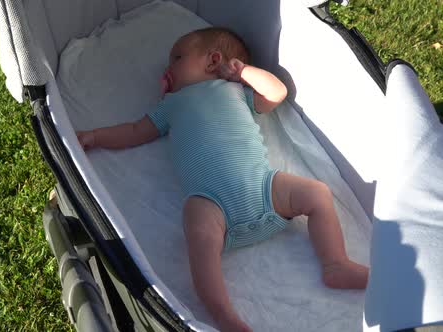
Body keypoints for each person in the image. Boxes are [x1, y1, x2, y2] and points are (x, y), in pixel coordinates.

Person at [76, 27, 369, 332]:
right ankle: (223, 314)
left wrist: (244, 72)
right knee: (195, 223)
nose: (167, 68)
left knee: (317, 193)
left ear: (213, 60)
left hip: (264, 189)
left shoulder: (237, 92)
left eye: (176, 58)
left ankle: (335, 264)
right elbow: (135, 131)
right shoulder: (170, 106)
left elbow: (276, 93)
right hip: (212, 205)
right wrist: (96, 136)